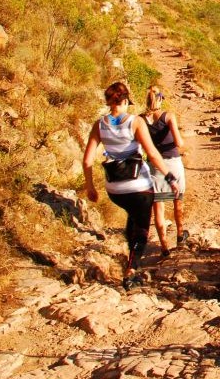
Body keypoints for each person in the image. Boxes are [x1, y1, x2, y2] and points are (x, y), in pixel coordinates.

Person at [82, 81, 178, 289]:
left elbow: (88, 160)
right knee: (142, 230)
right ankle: (131, 271)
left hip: (114, 189)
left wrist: (90, 187)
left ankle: (130, 254)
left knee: (132, 217)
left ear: (108, 102)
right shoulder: (135, 122)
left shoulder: (99, 125)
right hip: (139, 186)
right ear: (125, 101)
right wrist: (169, 176)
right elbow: (152, 153)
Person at [142, 84, 188, 256]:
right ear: (160, 98)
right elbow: (179, 142)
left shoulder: (140, 119)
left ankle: (164, 246)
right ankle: (180, 236)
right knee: (178, 200)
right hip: (173, 162)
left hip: (154, 165)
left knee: (158, 207)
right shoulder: (168, 116)